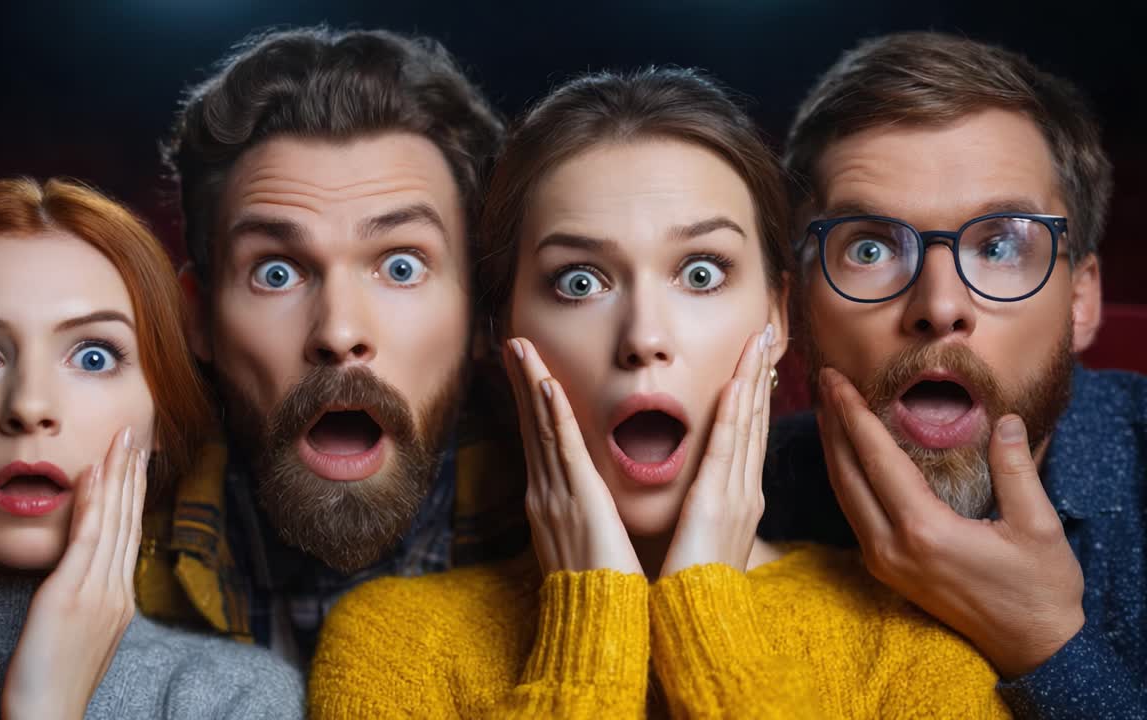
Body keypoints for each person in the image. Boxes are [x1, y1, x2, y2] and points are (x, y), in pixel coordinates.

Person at [309, 68, 1010, 718]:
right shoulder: (393, 644)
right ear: (504, 331)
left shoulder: (911, 645)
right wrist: (592, 625)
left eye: (701, 274)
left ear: (775, 316)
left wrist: (706, 609)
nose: (643, 336)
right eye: (579, 281)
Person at [759, 31, 1145, 718]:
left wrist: (1047, 643)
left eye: (1000, 245)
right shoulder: (747, 497)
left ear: (1082, 301)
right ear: (797, 306)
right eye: (871, 247)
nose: (939, 307)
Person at [139, 25, 524, 665]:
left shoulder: (585, 558)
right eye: (277, 272)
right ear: (198, 318)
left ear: (483, 312)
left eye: (401, 266)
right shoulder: (108, 570)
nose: (339, 333)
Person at [0, 178, 303, 719]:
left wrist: (43, 708)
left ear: (159, 417)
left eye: (93, 357)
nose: (28, 405)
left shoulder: (234, 700)